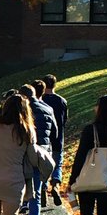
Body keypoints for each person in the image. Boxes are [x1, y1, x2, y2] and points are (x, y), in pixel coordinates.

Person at [17, 84, 57, 215]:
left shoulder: (22, 111)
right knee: (36, 195)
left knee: (16, 190)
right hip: (42, 154)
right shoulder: (48, 108)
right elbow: (55, 133)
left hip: (24, 154)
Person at [40, 75, 70, 204]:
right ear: (55, 85)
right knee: (57, 164)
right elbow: (64, 120)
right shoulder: (62, 101)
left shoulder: (41, 101)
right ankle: (55, 185)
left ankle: (43, 187)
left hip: (44, 138)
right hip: (58, 138)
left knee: (43, 164)